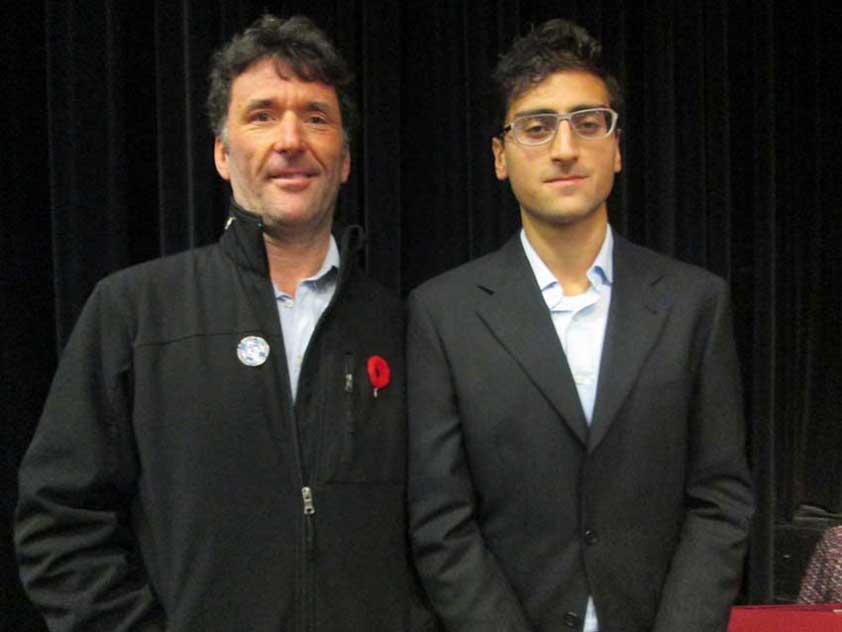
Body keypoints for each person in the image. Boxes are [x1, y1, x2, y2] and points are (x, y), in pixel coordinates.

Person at [16, 14, 431, 632]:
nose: (291, 139)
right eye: (261, 115)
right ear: (221, 152)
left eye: (316, 116)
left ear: (344, 159)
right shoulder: (134, 310)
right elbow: (58, 522)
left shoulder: (403, 327)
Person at [407, 18, 754, 632]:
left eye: (588, 123)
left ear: (617, 147)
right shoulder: (443, 314)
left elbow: (720, 500)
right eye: (536, 127)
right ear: (499, 156)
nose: (564, 148)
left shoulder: (696, 304)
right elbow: (440, 519)